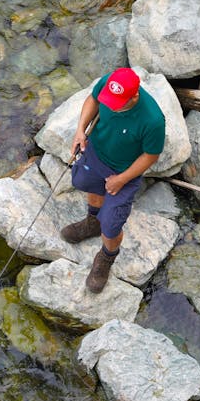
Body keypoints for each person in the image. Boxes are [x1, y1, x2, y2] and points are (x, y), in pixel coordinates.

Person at [61, 67, 165, 293]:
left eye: (116, 103)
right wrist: (80, 130)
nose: (110, 105)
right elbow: (93, 99)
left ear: (134, 96)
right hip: (97, 152)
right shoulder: (110, 82)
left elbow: (151, 155)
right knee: (85, 182)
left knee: (112, 222)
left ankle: (106, 258)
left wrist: (122, 179)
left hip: (124, 171)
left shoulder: (153, 120)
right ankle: (92, 223)